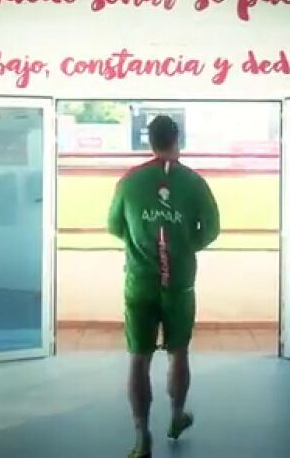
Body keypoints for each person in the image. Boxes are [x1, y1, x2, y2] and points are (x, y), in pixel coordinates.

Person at [107, 115, 220, 458]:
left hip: (139, 283)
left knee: (138, 360)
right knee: (178, 352)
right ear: (177, 139)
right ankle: (176, 417)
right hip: (179, 285)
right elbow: (211, 230)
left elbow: (114, 226)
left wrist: (140, 245)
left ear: (149, 140)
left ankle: (142, 438)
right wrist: (183, 247)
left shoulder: (129, 181)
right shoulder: (194, 182)